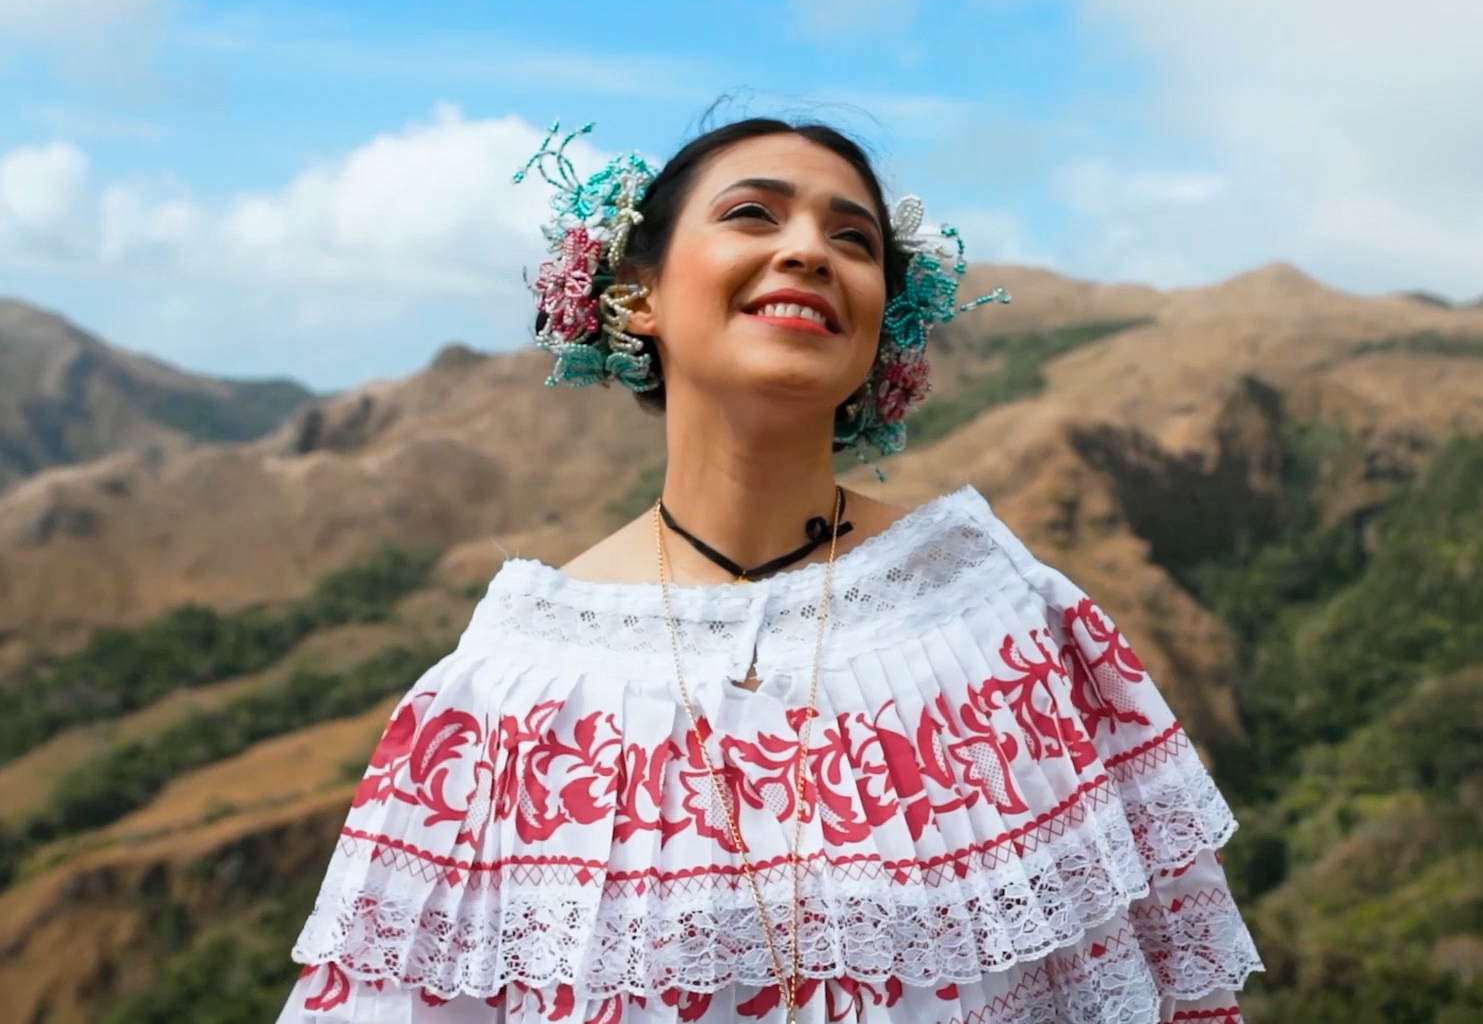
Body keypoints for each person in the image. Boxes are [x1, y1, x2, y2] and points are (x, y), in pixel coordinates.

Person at [278, 115, 1260, 1023]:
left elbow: (1162, 986)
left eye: (855, 240)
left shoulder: (998, 619)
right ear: (636, 293)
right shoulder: (506, 699)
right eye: (752, 213)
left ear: (882, 325)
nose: (807, 251)